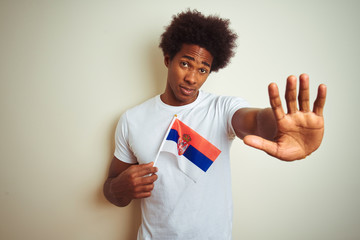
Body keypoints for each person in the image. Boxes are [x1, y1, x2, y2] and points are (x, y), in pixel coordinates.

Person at [103, 9, 327, 240]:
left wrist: (278, 126)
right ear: (168, 60)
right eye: (185, 64)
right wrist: (119, 188)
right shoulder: (132, 119)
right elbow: (111, 190)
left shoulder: (222, 109)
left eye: (203, 69)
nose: (192, 78)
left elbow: (253, 120)